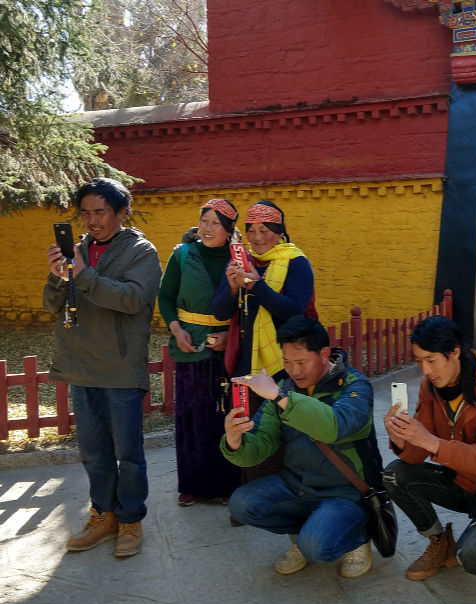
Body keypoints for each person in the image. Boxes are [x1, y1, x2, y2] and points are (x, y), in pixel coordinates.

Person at [43, 177, 161, 558]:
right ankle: (103, 514)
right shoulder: (77, 250)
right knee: (93, 452)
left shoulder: (141, 252)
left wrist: (83, 274)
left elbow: (133, 300)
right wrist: (58, 276)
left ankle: (130, 519)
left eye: (100, 212)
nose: (92, 221)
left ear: (121, 212)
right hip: (80, 365)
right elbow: (51, 305)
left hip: (120, 367)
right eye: (85, 213)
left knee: (128, 454)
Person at [221, 315, 380, 579]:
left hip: (344, 492)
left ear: (324, 354)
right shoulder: (286, 387)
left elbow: (335, 426)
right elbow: (261, 442)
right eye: (287, 362)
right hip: (297, 484)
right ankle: (306, 533)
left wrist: (280, 397)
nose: (294, 371)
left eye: (302, 362)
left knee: (316, 548)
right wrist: (234, 440)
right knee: (242, 503)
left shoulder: (355, 386)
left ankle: (357, 537)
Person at [382, 315, 476, 580]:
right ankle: (440, 543)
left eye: (431, 360)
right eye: (419, 361)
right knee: (395, 474)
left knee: (473, 558)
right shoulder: (431, 386)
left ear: (454, 352)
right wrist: (399, 437)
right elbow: (416, 456)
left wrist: (429, 441)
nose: (425, 370)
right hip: (464, 483)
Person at [211, 200, 316, 497]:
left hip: (286, 366)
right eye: (251, 230)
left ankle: (291, 498)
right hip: (247, 364)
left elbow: (294, 311)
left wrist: (257, 286)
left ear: (280, 232)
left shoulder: (296, 262)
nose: (257, 237)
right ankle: (255, 500)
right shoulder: (241, 262)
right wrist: (233, 287)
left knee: (287, 435)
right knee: (250, 433)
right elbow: (219, 312)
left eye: (265, 230)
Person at [158, 199, 242, 507]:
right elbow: (165, 297)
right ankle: (191, 483)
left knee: (224, 415)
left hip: (226, 348)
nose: (207, 228)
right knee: (191, 416)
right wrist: (176, 329)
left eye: (215, 223)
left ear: (229, 229)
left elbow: (246, 306)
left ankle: (227, 484)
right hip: (190, 345)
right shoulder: (182, 255)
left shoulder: (239, 260)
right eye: (204, 221)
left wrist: (229, 336)